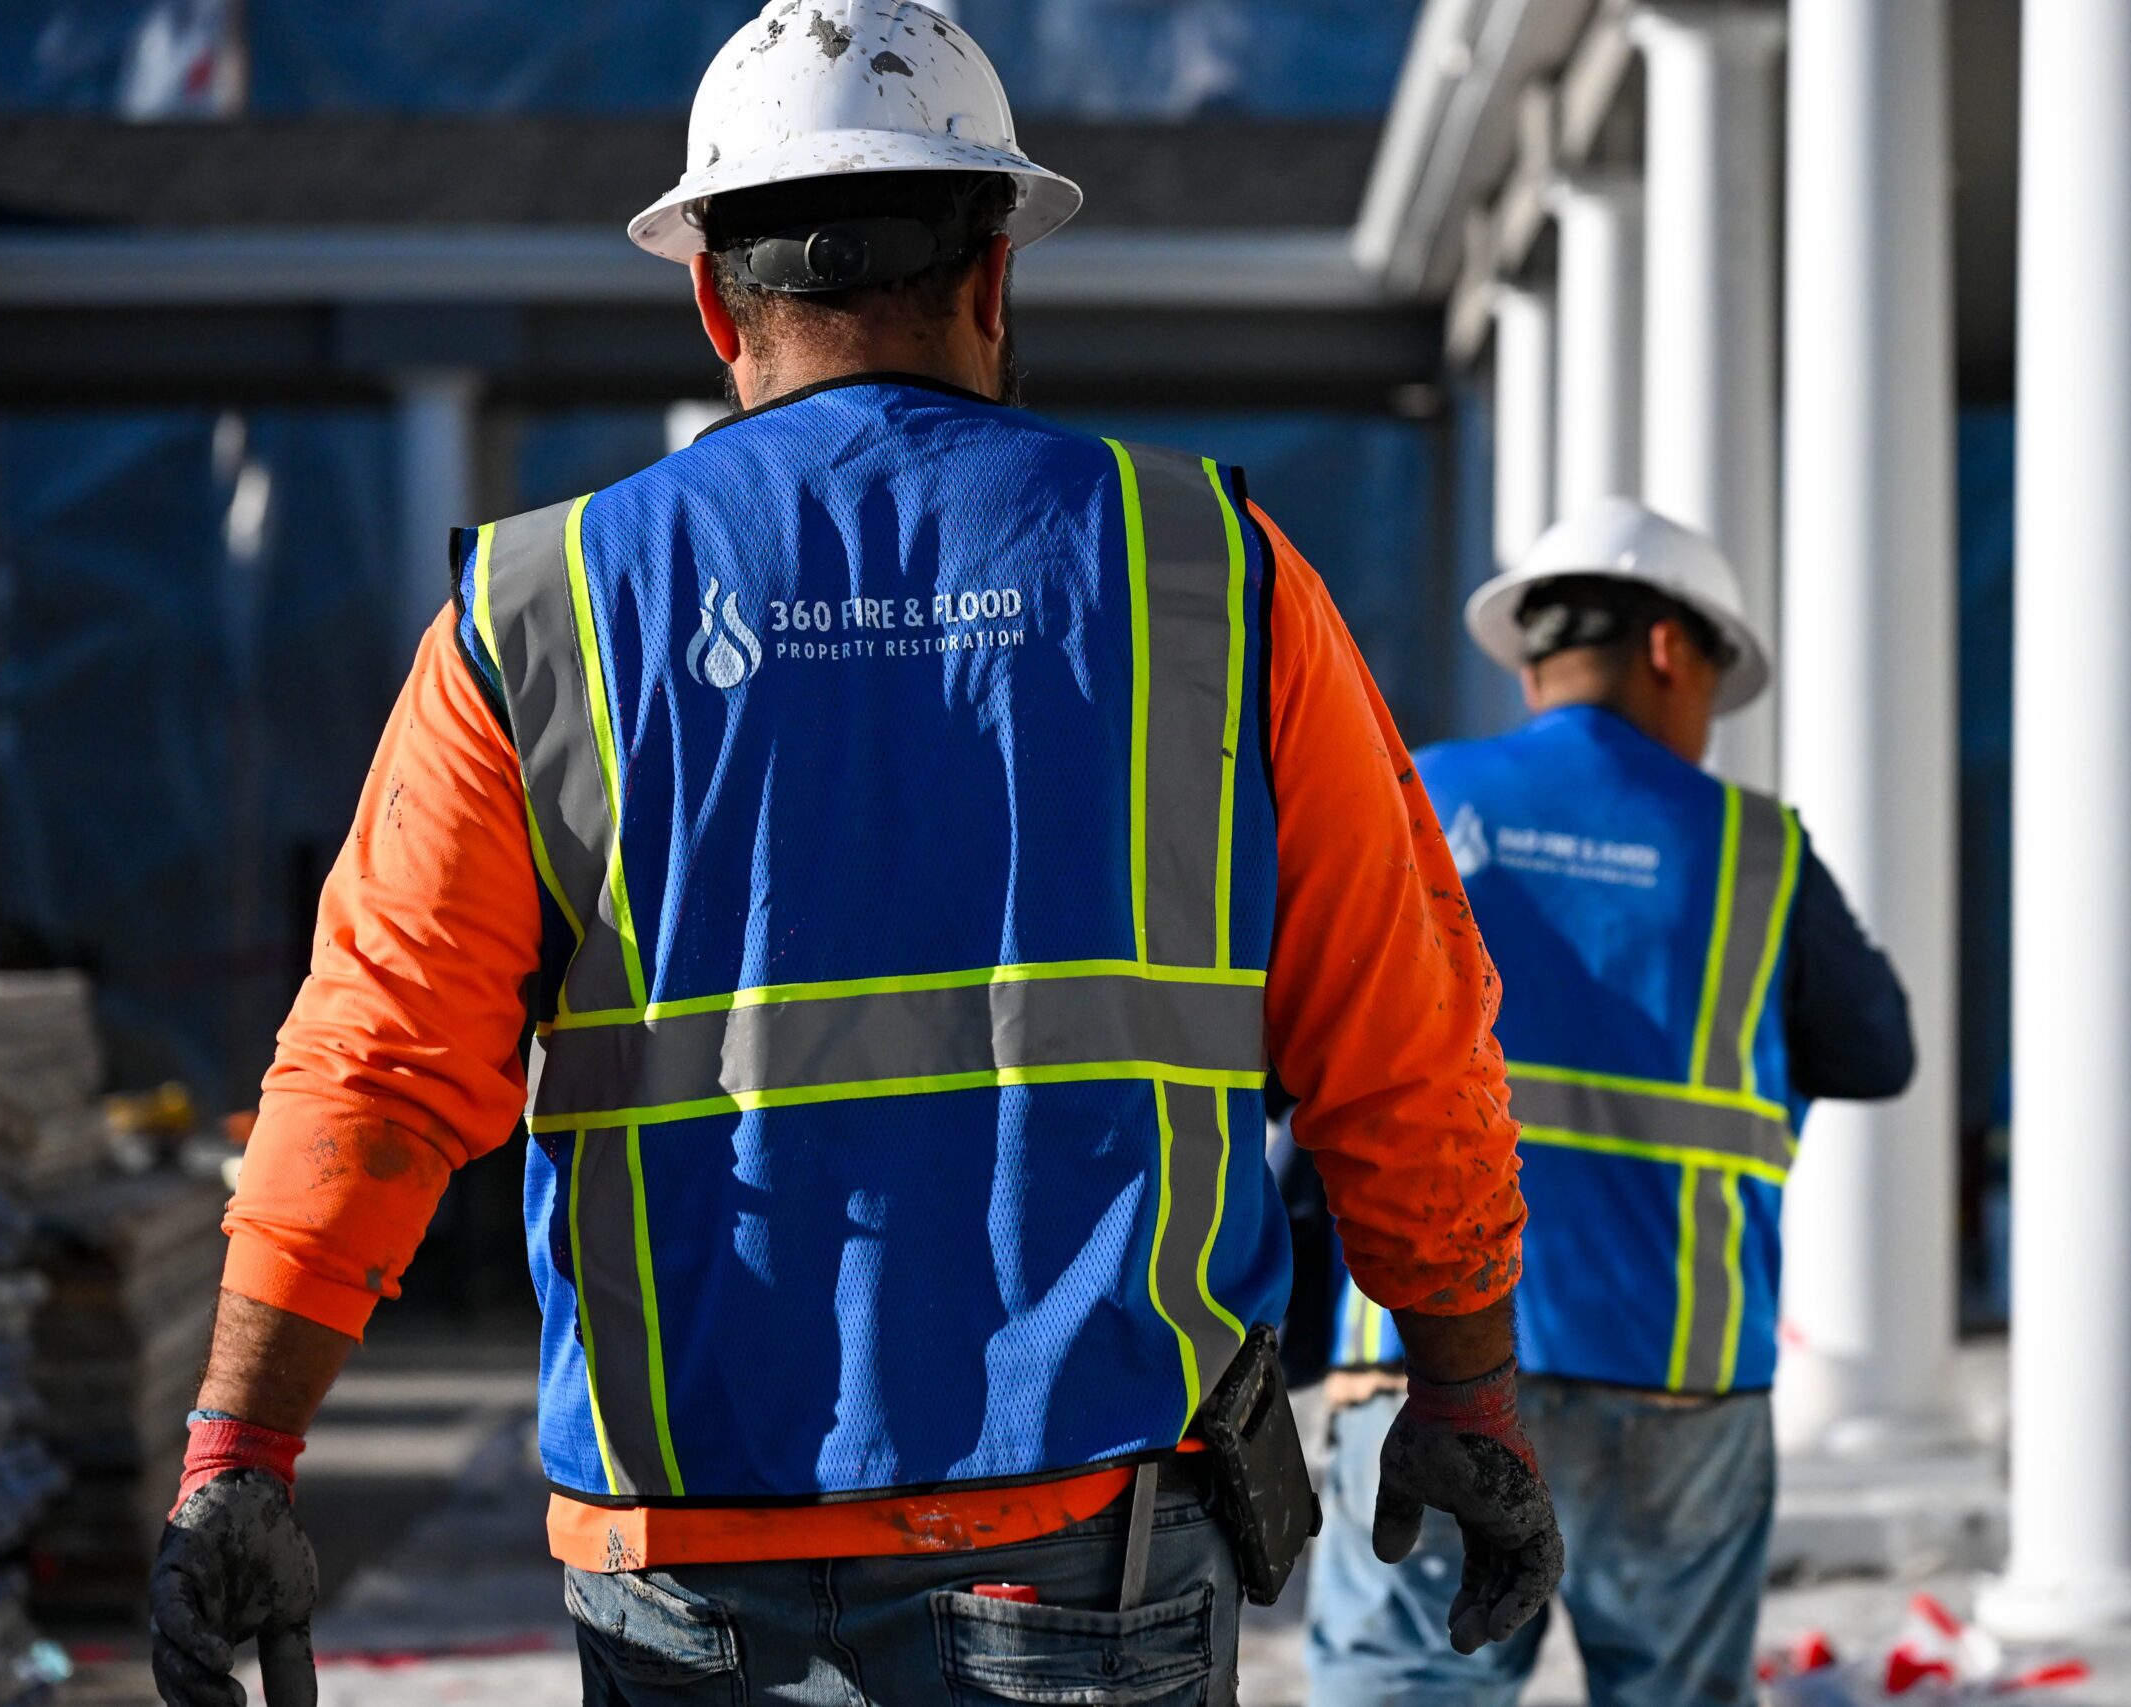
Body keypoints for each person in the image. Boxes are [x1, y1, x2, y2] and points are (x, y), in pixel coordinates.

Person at [143, 6, 1563, 1704]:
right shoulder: (1211, 575)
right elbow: (1401, 1033)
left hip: (679, 1559)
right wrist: (1465, 1381)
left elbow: (372, 1066)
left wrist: (244, 1444)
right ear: (995, 279)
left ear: (709, 297)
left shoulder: (546, 614)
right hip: (1079, 1540)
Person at [1305, 498, 1916, 1707]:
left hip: (1424, 1354)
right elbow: (1876, 1052)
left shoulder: (1419, 795)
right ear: (1668, 651)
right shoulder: (1757, 850)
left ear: (1535, 661)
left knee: (1405, 1687)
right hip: (1676, 1371)